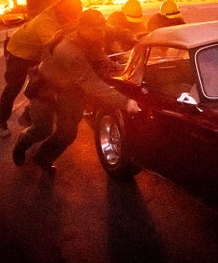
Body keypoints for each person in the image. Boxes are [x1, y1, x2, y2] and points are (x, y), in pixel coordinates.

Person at [12, 9, 140, 174]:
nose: (101, 34)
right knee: (41, 129)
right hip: (46, 89)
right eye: (96, 30)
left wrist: (131, 37)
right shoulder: (69, 51)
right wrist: (125, 101)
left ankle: (44, 157)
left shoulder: (90, 29)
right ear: (83, 28)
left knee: (68, 133)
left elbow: (112, 30)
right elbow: (91, 83)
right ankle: (21, 143)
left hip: (70, 91)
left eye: (101, 29)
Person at [0, 0, 83, 137]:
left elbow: (84, 25)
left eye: (75, 16)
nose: (73, 20)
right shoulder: (45, 23)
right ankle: (0, 120)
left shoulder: (68, 12)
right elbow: (56, 47)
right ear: (61, 11)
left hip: (38, 52)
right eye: (70, 17)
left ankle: (28, 115)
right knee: (14, 87)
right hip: (19, 53)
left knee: (46, 84)